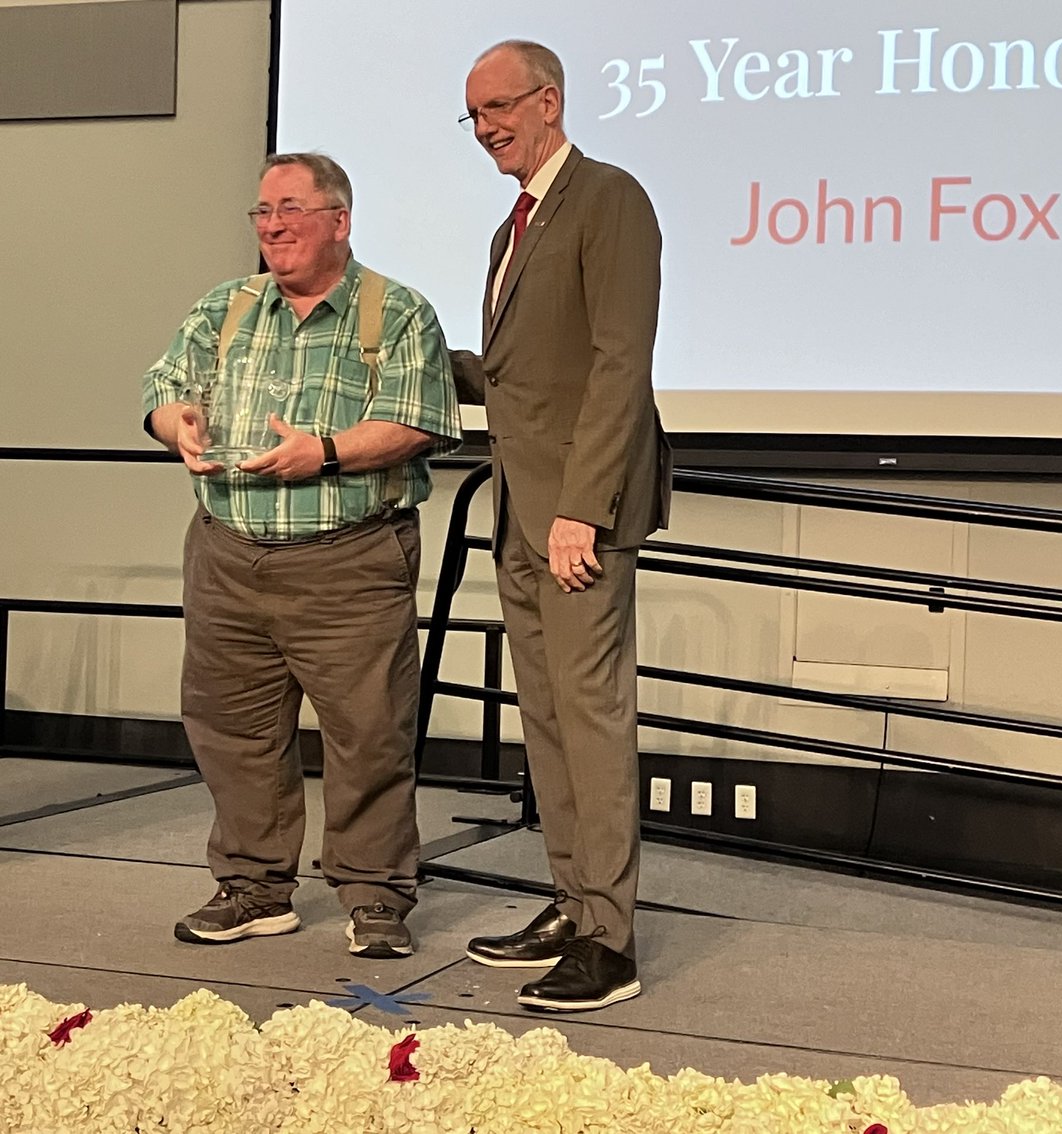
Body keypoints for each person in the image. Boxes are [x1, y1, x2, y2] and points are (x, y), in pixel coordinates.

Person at [143, 152, 460, 959]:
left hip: (348, 560)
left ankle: (375, 894)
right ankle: (254, 887)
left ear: (339, 220)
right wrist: (177, 425)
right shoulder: (225, 307)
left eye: (290, 209)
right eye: (262, 212)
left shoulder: (397, 314)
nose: (273, 226)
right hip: (227, 553)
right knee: (233, 729)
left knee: (368, 733)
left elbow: (416, 420)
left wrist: (322, 453)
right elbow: (164, 390)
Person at [452, 41, 671, 1011]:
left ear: (549, 101)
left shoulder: (608, 198)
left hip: (579, 516)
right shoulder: (513, 228)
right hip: (521, 510)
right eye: (473, 115)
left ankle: (609, 944)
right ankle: (574, 903)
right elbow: (518, 374)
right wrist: (420, 359)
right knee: (546, 721)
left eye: (498, 108)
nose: (485, 128)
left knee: (591, 721)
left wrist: (584, 506)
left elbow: (622, 362)